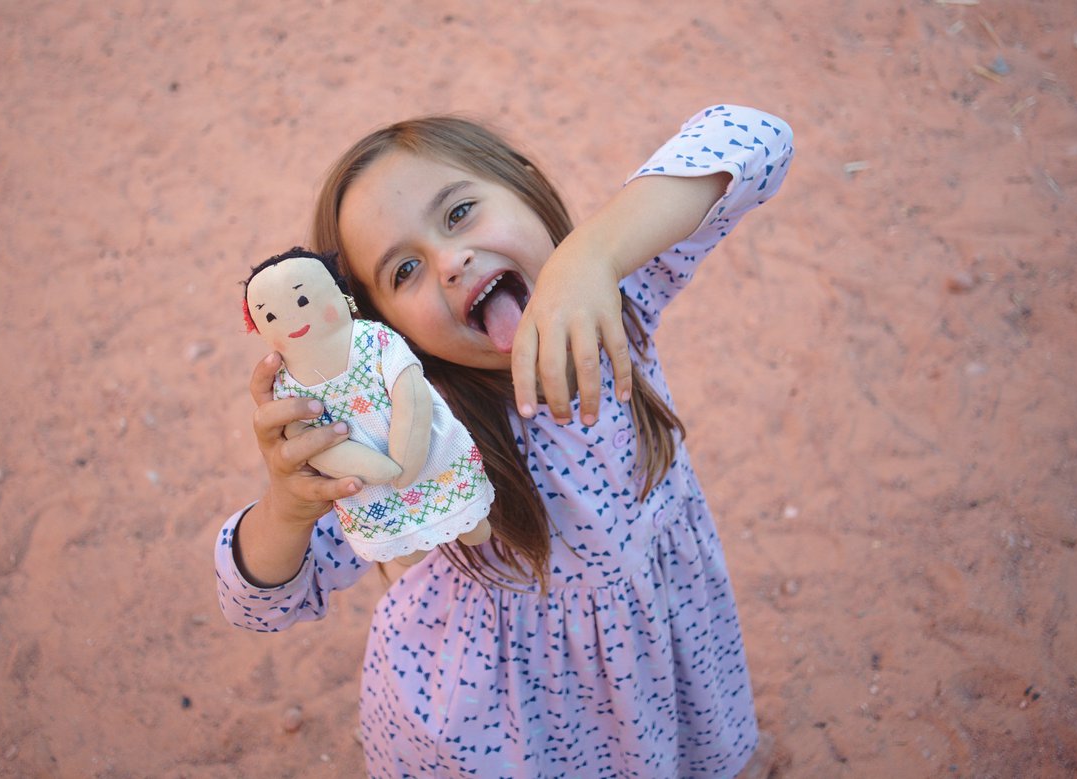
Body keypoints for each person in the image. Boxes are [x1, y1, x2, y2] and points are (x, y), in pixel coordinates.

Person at [215, 104, 794, 778]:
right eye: (404, 271)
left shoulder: (615, 301)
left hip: (664, 638)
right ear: (385, 326)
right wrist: (288, 505)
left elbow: (757, 137)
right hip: (513, 723)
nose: (450, 261)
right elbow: (258, 602)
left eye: (459, 213)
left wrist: (593, 252)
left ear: (522, 182)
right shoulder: (420, 436)